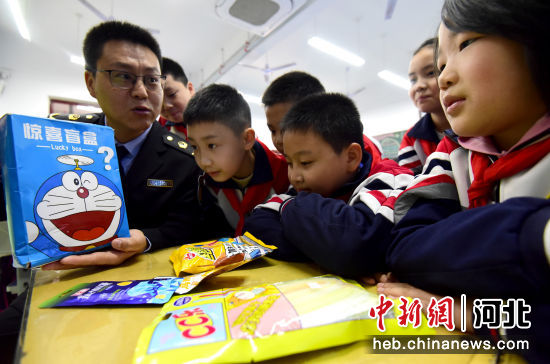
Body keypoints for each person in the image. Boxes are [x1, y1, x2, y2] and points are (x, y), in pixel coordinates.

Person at [384, 0, 550, 361]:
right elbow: (407, 248)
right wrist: (536, 234)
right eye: (441, 64)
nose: (444, 77)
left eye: (466, 44)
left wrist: (475, 311)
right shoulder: (453, 155)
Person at [46, 20, 205, 269]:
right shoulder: (57, 142)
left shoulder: (183, 160)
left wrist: (147, 240)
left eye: (152, 80)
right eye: (123, 76)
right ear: (91, 82)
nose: (141, 92)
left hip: (146, 274)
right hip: (60, 270)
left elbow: (185, 227)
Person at [243, 93, 413, 276]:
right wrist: (323, 249)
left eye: (306, 162)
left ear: (351, 157)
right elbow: (254, 226)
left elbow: (356, 247)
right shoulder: (307, 186)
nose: (294, 176)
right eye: (290, 163)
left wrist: (292, 211)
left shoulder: (389, 180)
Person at [184, 84, 289, 236]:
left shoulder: (285, 175)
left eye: (212, 145)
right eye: (195, 147)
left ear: (247, 139)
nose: (204, 161)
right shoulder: (207, 183)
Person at [263, 71, 384, 165]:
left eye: (286, 129)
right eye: (273, 131)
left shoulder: (369, 159)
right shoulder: (287, 164)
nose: (278, 140)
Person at [398, 38, 451, 174]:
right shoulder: (412, 139)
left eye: (430, 73)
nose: (419, 86)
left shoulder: (475, 123)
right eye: (413, 80)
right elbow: (409, 185)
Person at [159, 57, 195, 138]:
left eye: (172, 94)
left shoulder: (216, 115)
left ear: (190, 89)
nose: (166, 106)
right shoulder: (161, 128)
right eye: (158, 101)